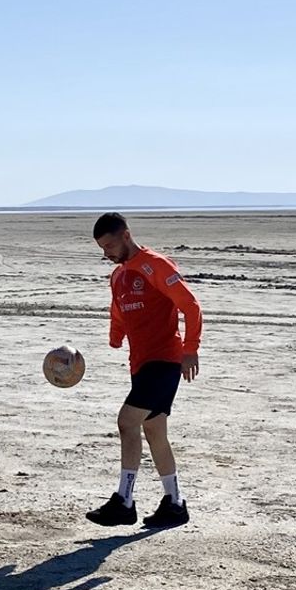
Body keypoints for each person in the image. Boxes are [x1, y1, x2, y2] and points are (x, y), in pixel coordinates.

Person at [86, 212, 202, 528]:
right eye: (101, 248)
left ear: (126, 235)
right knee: (154, 432)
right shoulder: (118, 276)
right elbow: (118, 311)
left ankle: (124, 501)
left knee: (127, 422)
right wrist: (114, 337)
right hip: (140, 364)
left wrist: (190, 349)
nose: (106, 253)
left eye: (109, 245)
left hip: (164, 361)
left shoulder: (156, 265)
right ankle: (175, 504)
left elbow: (190, 305)